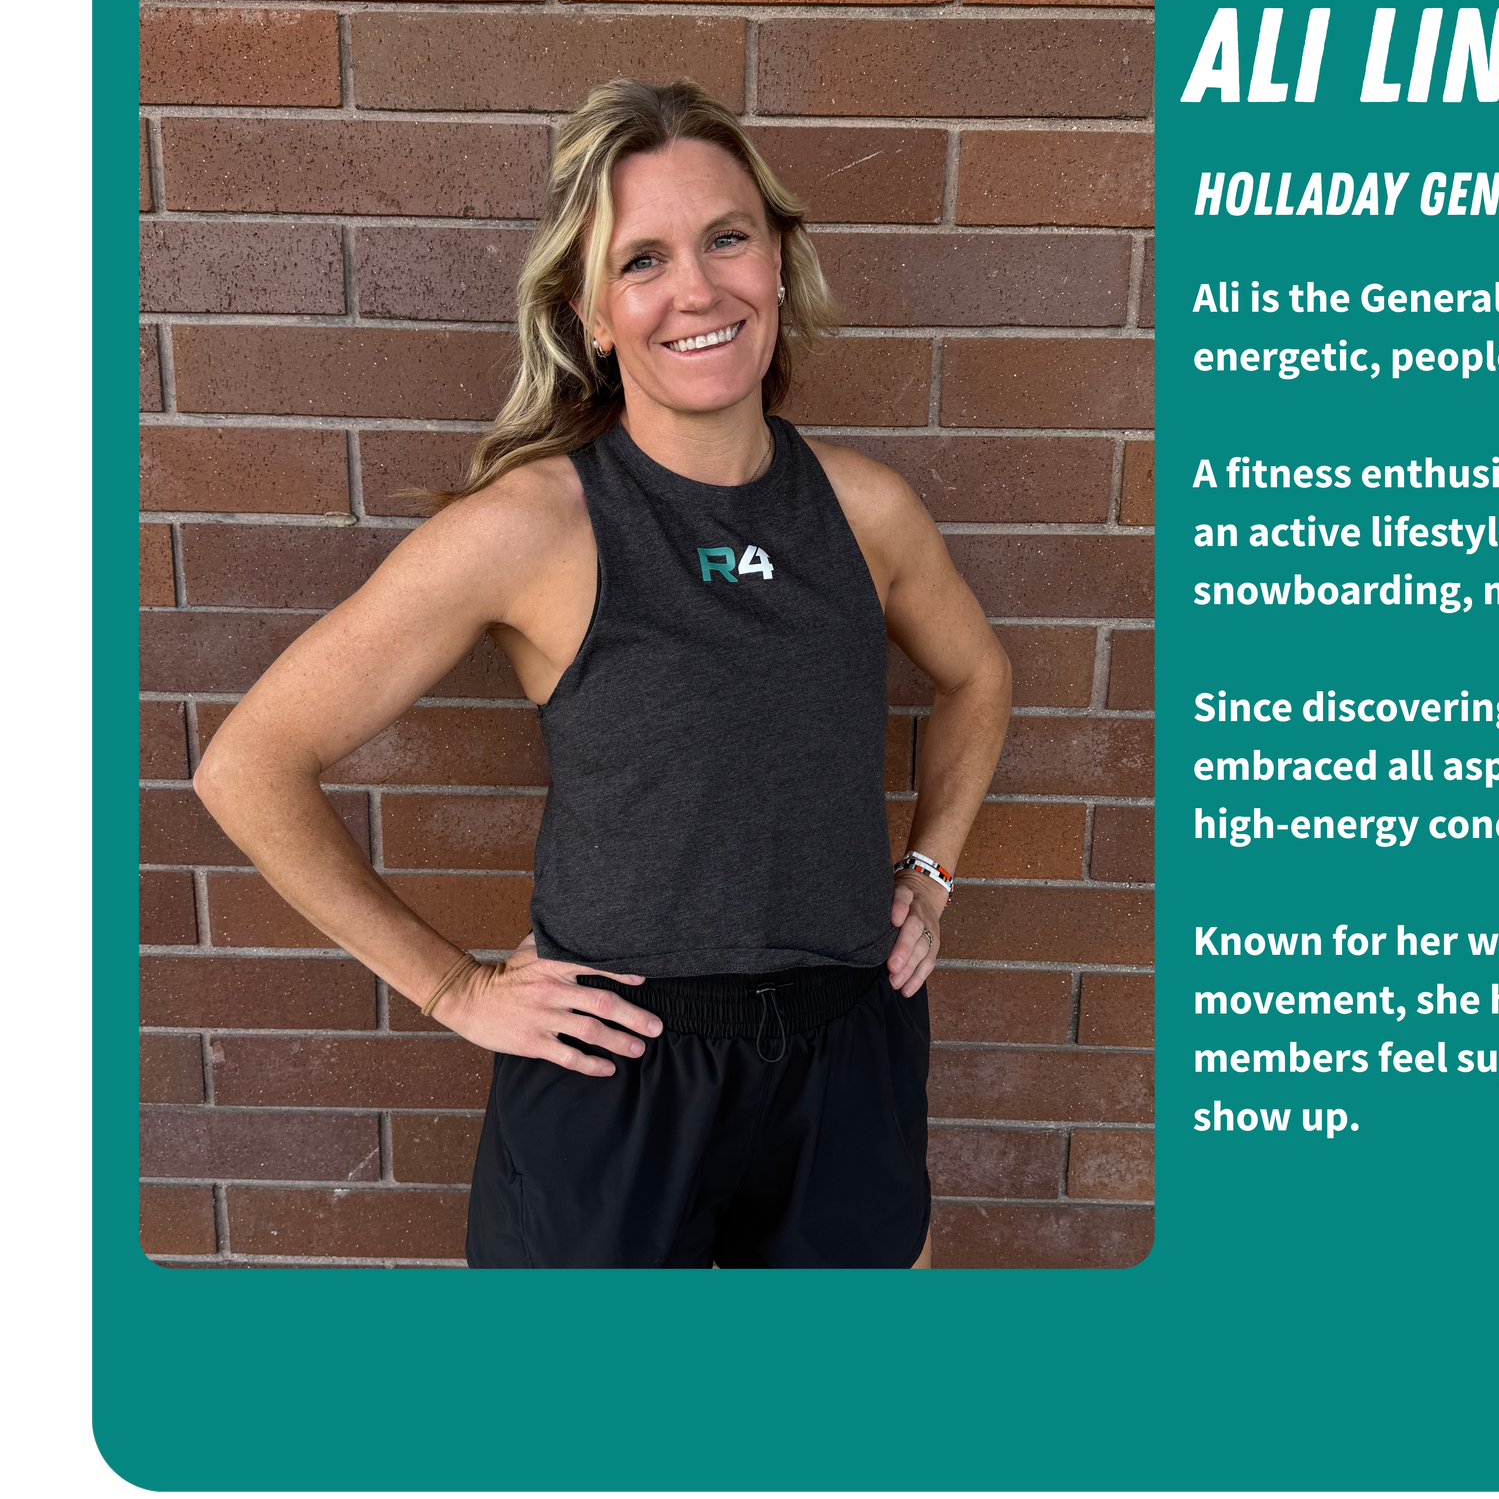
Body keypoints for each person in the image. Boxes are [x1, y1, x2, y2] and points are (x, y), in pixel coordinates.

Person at [194, 79, 1012, 1268]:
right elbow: (248, 765)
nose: (698, 290)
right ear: (588, 313)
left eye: (727, 238)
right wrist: (452, 988)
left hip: (848, 1044)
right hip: (617, 1059)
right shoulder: (532, 525)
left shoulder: (866, 509)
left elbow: (978, 676)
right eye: (642, 260)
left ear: (779, 260)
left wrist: (929, 872)